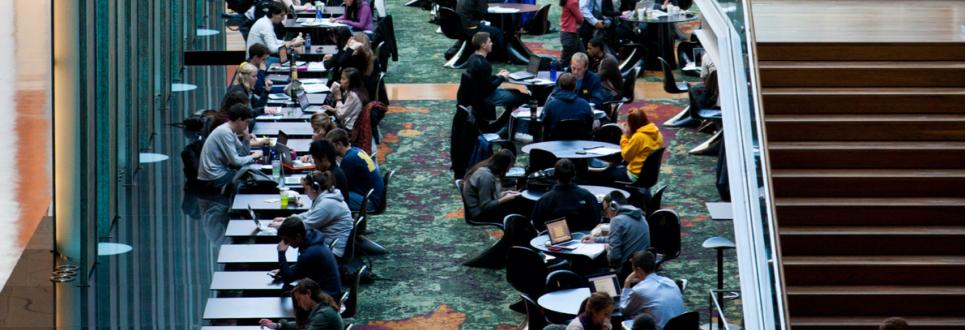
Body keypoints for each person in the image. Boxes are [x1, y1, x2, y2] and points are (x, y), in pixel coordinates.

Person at [270, 171, 353, 258]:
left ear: (315, 188)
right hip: (329, 243)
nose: (305, 192)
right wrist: (287, 219)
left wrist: (281, 225)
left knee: (296, 238)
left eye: (305, 189)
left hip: (333, 251)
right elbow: (308, 215)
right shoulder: (326, 197)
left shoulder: (326, 204)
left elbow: (305, 226)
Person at [466, 32, 528, 136]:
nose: (492, 43)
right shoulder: (483, 64)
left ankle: (507, 122)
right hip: (487, 96)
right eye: (489, 42)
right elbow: (489, 87)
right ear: (483, 45)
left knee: (515, 92)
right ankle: (511, 128)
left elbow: (483, 79)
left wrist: (497, 76)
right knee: (523, 98)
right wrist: (502, 78)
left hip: (477, 94)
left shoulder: (472, 58)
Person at [271, 217, 342, 298]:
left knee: (289, 294)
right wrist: (285, 269)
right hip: (327, 291)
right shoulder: (311, 239)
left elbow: (287, 279)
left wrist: (281, 253)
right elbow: (302, 267)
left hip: (327, 298)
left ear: (298, 236)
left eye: (287, 240)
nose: (286, 244)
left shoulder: (310, 253)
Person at [197, 104, 263, 191]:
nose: (247, 126)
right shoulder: (225, 132)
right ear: (239, 120)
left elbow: (242, 154)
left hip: (220, 173)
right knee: (250, 181)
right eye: (246, 122)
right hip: (214, 177)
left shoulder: (231, 131)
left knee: (252, 176)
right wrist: (253, 156)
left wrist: (246, 139)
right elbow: (236, 162)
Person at [583, 191, 650, 271]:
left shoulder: (617, 220)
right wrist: (596, 239)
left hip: (625, 270)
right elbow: (622, 239)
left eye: (605, 210)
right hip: (640, 266)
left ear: (613, 206)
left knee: (590, 266)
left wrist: (608, 249)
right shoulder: (641, 216)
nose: (606, 215)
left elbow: (614, 259)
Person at [530, 159, 601, 232]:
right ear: (574, 173)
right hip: (583, 239)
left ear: (555, 175)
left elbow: (537, 223)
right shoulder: (587, 196)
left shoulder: (545, 200)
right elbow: (596, 219)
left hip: (554, 240)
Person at [620, 251, 686, 329]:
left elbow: (624, 309)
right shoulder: (670, 282)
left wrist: (627, 282)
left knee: (628, 321)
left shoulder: (639, 290)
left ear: (638, 270)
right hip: (681, 326)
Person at [327, 128, 384, 212]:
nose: (329, 151)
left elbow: (339, 185)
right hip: (376, 197)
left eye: (330, 147)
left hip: (370, 202)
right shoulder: (357, 150)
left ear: (339, 144)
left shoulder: (348, 159)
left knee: (331, 198)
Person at [462, 149, 523, 223]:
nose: (508, 170)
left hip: (482, 208)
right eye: (509, 167)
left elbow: (488, 194)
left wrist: (504, 194)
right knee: (519, 209)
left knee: (518, 201)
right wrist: (505, 199)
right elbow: (486, 206)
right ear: (502, 165)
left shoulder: (486, 169)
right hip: (479, 214)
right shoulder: (485, 176)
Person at [605, 107, 664, 183]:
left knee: (605, 173)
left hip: (635, 175)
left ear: (632, 125)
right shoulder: (656, 132)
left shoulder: (638, 137)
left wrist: (625, 135)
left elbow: (626, 156)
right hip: (648, 173)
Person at [258, 279, 345, 330]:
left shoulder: (323, 314)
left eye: (299, 299)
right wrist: (277, 325)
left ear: (308, 293)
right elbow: (305, 325)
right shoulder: (321, 306)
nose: (299, 304)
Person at [542, 73, 595, 140]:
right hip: (580, 142)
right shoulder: (585, 104)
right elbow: (589, 125)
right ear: (575, 86)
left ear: (560, 86)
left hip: (555, 141)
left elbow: (545, 124)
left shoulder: (551, 105)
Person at [587, 36, 622, 101]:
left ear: (597, 48)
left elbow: (597, 79)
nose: (588, 50)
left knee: (588, 95)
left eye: (590, 48)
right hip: (605, 88)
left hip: (614, 92)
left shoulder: (608, 61)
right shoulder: (597, 58)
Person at [559, 0, 585, 68]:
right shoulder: (572, 2)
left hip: (566, 33)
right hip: (571, 34)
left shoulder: (567, 1)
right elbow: (580, 18)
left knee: (581, 57)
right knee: (565, 62)